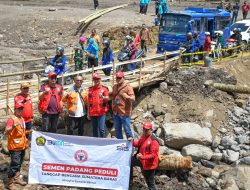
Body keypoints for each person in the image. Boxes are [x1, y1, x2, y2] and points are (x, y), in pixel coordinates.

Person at [4, 102, 28, 190]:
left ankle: (16, 179)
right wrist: (13, 126)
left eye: (22, 109)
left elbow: (21, 132)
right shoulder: (12, 119)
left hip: (22, 145)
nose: (21, 111)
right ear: (15, 110)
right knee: (15, 164)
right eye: (19, 109)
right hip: (14, 147)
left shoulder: (22, 119)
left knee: (19, 163)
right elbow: (6, 131)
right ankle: (9, 184)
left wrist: (29, 132)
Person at [130, 122, 159, 190]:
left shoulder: (153, 141)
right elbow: (138, 144)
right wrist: (132, 142)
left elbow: (153, 155)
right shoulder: (143, 136)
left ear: (151, 130)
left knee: (150, 183)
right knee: (130, 161)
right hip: (141, 160)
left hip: (149, 165)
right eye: (144, 129)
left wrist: (142, 157)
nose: (145, 131)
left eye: (147, 130)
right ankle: (130, 180)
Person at [112, 71, 135, 139]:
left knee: (127, 130)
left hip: (124, 113)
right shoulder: (114, 86)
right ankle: (120, 146)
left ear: (123, 78)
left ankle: (130, 147)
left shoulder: (128, 87)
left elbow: (133, 98)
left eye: (119, 78)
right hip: (116, 112)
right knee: (118, 130)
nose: (118, 79)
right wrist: (113, 106)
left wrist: (127, 97)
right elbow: (113, 97)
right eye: (117, 78)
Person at [88, 73, 109, 138]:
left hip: (101, 112)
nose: (96, 80)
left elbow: (107, 98)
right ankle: (96, 142)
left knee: (101, 129)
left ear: (100, 79)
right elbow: (89, 102)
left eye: (97, 79)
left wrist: (103, 97)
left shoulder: (104, 89)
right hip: (93, 112)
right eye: (94, 79)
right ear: (93, 80)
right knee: (94, 129)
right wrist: (88, 113)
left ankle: (103, 142)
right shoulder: (90, 89)